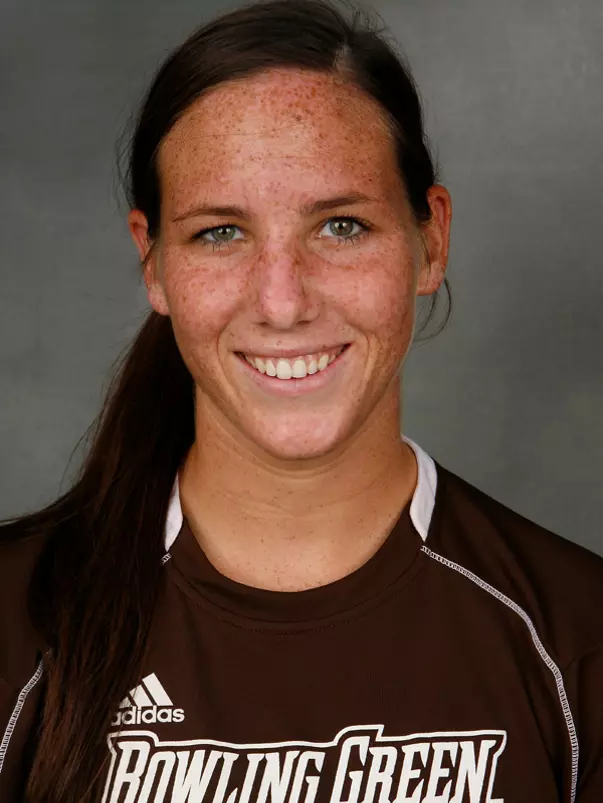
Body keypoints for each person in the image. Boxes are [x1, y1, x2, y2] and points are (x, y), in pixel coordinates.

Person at [1, 0, 602, 800]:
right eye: (220, 232)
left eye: (341, 226)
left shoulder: (577, 642)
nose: (282, 302)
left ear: (431, 240)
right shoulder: (14, 626)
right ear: (153, 264)